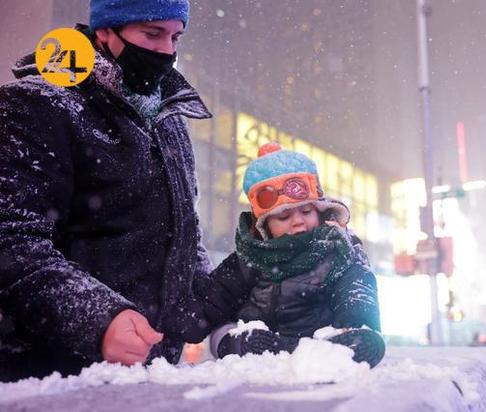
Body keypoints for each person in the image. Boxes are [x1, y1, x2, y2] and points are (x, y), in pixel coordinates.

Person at [0, 0, 214, 381]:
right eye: (152, 33)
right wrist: (98, 319)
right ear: (105, 30)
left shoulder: (168, 118)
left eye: (175, 36)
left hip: (149, 373)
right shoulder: (37, 105)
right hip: (50, 376)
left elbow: (186, 236)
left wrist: (221, 307)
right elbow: (11, 241)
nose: (167, 50)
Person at [199, 142, 385, 368]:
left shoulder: (338, 251)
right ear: (263, 226)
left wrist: (357, 323)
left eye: (306, 211)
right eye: (284, 216)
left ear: (319, 210)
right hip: (259, 335)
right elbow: (213, 299)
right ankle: (256, 346)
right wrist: (185, 317)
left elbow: (356, 289)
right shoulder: (249, 257)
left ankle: (341, 347)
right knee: (224, 335)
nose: (298, 221)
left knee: (363, 335)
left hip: (320, 340)